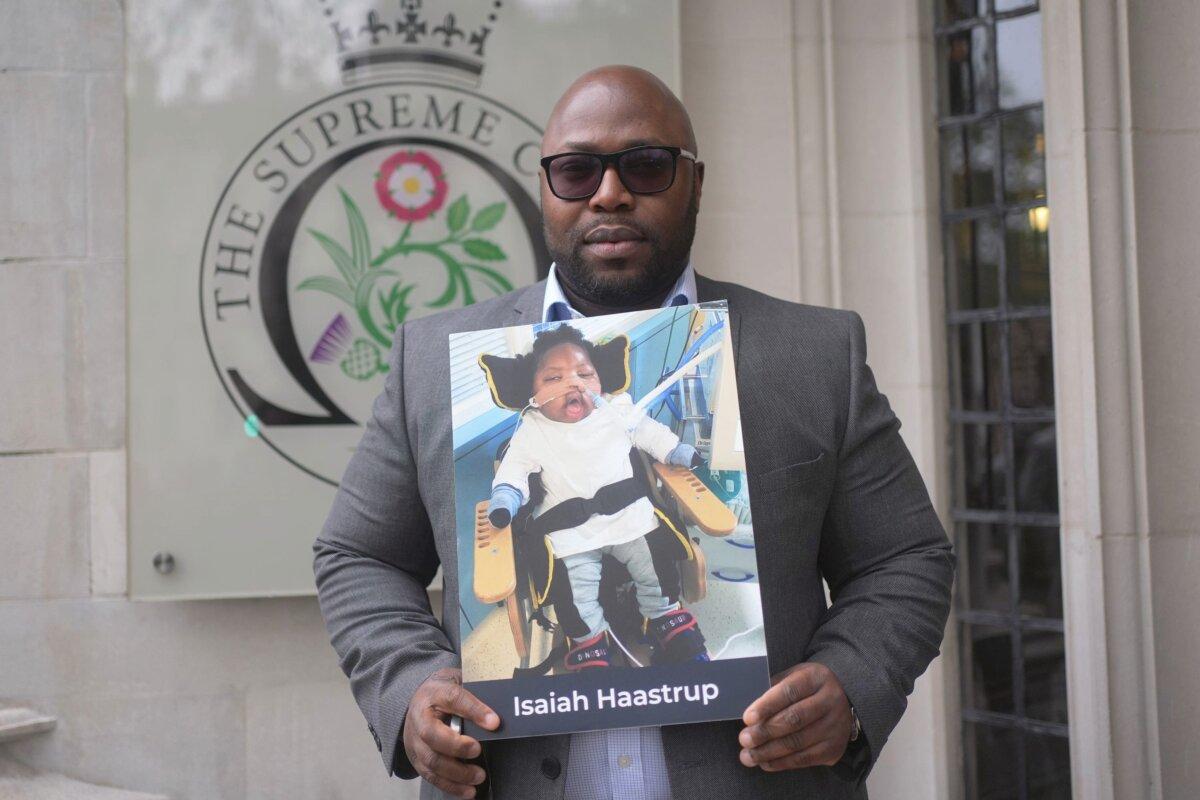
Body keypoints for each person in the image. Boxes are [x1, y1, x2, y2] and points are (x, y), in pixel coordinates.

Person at [314, 65, 954, 800]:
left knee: (654, 577)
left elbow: (905, 558)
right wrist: (412, 688)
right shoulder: (432, 364)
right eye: (577, 170)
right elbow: (357, 555)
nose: (609, 193)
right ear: (546, 189)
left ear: (697, 182)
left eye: (646, 166)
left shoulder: (813, 355)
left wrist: (852, 680)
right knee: (578, 594)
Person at [482, 324, 708, 670]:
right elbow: (512, 472)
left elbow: (649, 433)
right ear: (532, 394)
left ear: (600, 381)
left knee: (658, 566)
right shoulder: (532, 429)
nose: (574, 383)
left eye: (585, 374)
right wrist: (505, 499)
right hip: (571, 535)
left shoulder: (617, 411)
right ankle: (588, 642)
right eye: (553, 379)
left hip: (629, 519)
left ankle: (664, 618)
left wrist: (675, 450)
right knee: (573, 596)